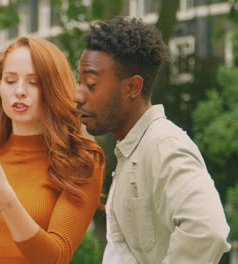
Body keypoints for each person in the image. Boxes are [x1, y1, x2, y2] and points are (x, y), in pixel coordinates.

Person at [74, 16, 231, 264]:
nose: (77, 95)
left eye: (91, 84)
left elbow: (207, 231)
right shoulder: (132, 151)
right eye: (79, 81)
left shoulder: (163, 145)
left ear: (132, 87)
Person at [0, 36, 105, 263]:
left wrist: (2, 195)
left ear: (54, 88)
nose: (20, 91)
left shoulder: (81, 162)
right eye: (10, 80)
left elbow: (55, 257)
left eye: (34, 82)